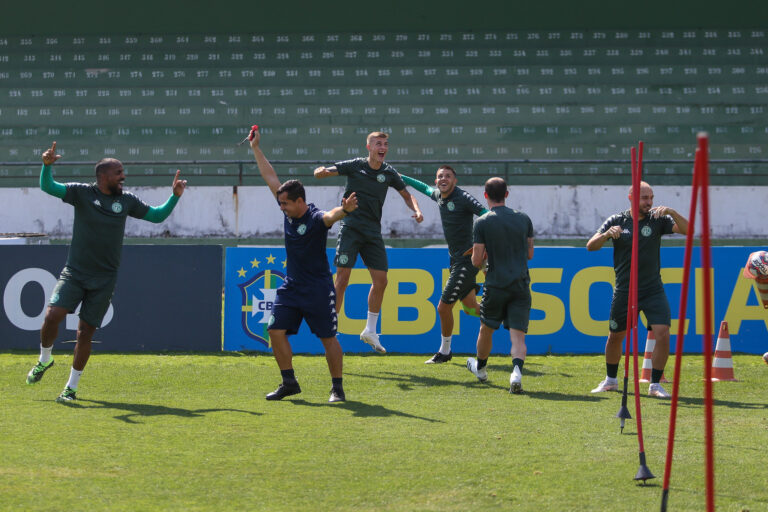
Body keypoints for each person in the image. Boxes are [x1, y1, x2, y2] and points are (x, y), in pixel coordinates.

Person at [26, 142, 187, 402]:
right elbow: (49, 187)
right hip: (75, 272)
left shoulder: (127, 201)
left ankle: (71, 388)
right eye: (118, 172)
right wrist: (46, 167)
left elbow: (157, 216)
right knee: (52, 315)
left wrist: (175, 196)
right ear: (103, 176)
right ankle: (45, 359)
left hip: (104, 279)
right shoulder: (81, 193)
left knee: (85, 333)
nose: (123, 176)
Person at [250, 126, 356, 402]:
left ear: (300, 201)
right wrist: (256, 148)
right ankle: (289, 382)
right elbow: (270, 176)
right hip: (292, 287)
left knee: (328, 339)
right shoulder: (288, 212)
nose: (281, 207)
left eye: (285, 203)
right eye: (280, 203)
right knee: (275, 331)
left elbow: (331, 216)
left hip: (318, 289)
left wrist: (344, 210)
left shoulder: (316, 218)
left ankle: (337, 388)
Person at [314, 132, 423, 354]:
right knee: (342, 279)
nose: (383, 147)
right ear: (369, 147)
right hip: (351, 228)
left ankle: (370, 331)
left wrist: (417, 210)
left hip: (373, 232)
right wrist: (321, 171)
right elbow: (326, 171)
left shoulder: (388, 172)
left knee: (381, 281)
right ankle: (330, 329)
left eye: (385, 144)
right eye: (378, 144)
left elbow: (406, 195)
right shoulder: (356, 165)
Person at [587, 181, 688, 398]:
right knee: (615, 336)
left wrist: (671, 212)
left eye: (651, 198)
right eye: (644, 198)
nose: (649, 202)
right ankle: (611, 380)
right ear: (631, 197)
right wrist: (606, 235)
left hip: (653, 289)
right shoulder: (617, 220)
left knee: (662, 333)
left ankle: (655, 385)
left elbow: (689, 230)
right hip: (625, 291)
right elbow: (591, 246)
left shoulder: (658, 219)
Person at [400, 166, 488, 363]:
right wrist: (402, 177)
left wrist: (483, 245)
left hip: (467, 261)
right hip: (455, 260)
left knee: (443, 307)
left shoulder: (463, 197)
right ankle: (505, 315)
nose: (443, 179)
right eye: (440, 176)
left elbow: (486, 215)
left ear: (455, 181)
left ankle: (445, 351)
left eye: (448, 176)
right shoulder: (439, 196)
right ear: (436, 181)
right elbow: (423, 188)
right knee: (470, 308)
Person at [465, 178, 534, 394]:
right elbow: (530, 254)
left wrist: (482, 257)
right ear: (507, 194)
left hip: (495, 285)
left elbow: (477, 260)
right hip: (520, 285)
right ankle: (516, 372)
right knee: (518, 335)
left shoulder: (482, 222)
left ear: (485, 195)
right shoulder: (524, 219)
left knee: (486, 329)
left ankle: (481, 369)